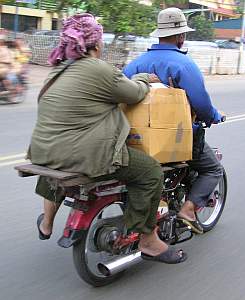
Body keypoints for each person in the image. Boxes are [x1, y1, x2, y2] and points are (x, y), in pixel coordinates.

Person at [28, 13, 187, 264]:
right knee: (150, 172)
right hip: (84, 156)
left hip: (43, 151)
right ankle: (149, 241)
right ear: (97, 43)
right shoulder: (98, 69)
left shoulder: (57, 70)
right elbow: (134, 93)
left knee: (56, 164)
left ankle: (46, 223)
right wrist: (145, 78)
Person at [123, 7, 224, 234]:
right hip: (174, 140)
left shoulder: (135, 64)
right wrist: (214, 116)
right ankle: (188, 210)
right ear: (181, 37)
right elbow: (201, 103)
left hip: (134, 139)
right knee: (212, 169)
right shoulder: (184, 65)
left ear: (159, 34)